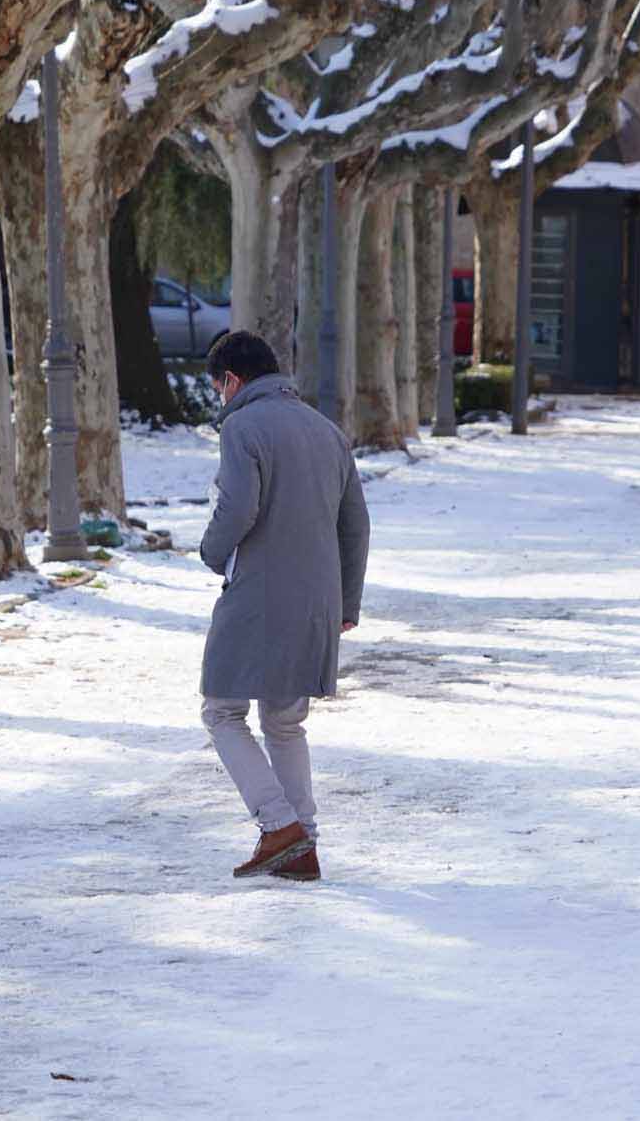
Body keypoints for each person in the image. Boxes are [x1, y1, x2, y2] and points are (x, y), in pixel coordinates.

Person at [198, 329, 369, 882]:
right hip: (317, 598)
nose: (220, 399)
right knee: (285, 722)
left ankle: (279, 826)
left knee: (222, 711)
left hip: (257, 594)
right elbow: (355, 525)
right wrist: (347, 599)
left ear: (232, 380)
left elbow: (239, 507)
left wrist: (210, 551)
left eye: (218, 388)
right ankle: (305, 847)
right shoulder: (327, 431)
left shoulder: (243, 426)